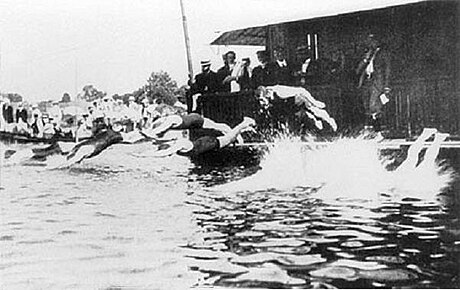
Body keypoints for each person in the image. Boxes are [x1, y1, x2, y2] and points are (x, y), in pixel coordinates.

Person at [132, 117, 256, 158]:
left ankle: (244, 124)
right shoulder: (175, 141)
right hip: (201, 140)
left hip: (206, 143)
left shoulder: (178, 144)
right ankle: (244, 128)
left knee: (229, 138)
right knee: (223, 130)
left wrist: (144, 155)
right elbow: (160, 147)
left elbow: (164, 153)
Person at [355, 33, 391, 131]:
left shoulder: (383, 53)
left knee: (374, 105)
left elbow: (387, 70)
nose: (370, 43)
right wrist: (366, 58)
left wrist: (386, 85)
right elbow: (358, 70)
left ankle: (378, 130)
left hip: (378, 81)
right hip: (367, 81)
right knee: (366, 105)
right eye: (369, 41)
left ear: (377, 42)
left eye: (372, 41)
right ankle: (371, 130)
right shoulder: (368, 54)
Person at [141, 112, 239, 140]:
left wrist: (152, 133)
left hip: (194, 120)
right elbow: (154, 127)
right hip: (193, 119)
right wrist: (147, 132)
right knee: (218, 126)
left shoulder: (170, 119)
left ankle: (236, 135)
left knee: (218, 126)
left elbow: (160, 128)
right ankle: (236, 134)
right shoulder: (161, 121)